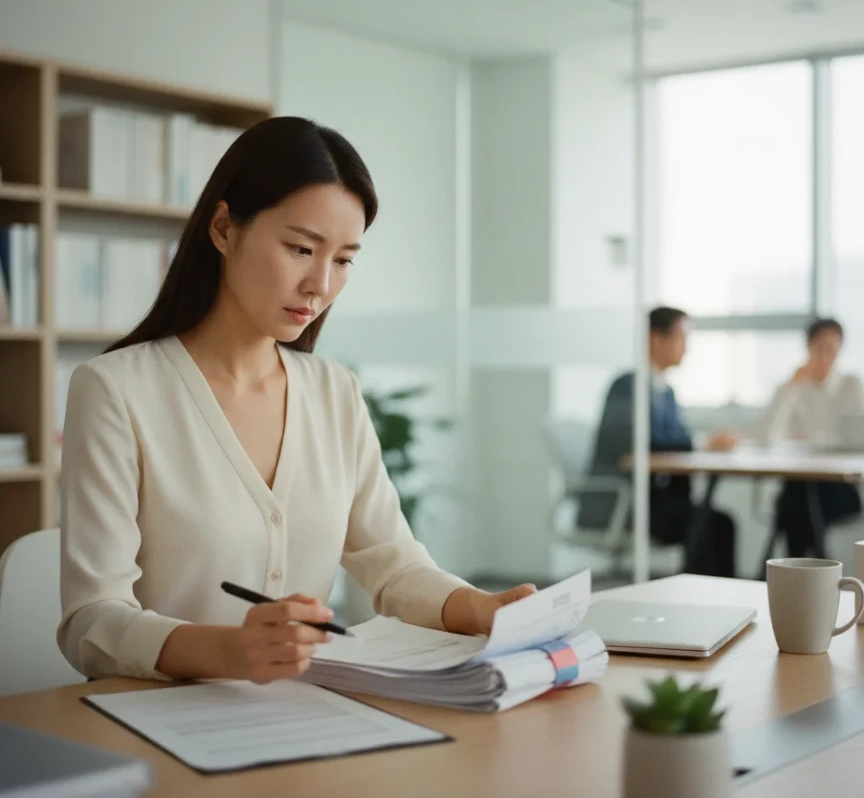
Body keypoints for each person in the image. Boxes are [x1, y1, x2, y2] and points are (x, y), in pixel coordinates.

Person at [58, 117, 535, 684]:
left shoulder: (334, 392)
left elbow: (394, 566)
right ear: (223, 228)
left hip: (302, 716)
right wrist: (231, 651)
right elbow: (91, 621)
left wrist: (483, 609)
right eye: (301, 248)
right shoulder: (116, 390)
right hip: (156, 725)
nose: (321, 285)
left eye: (343, 260)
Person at [579, 307, 738, 577]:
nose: (686, 348)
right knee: (707, 524)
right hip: (626, 502)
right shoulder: (628, 386)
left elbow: (675, 439)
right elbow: (642, 442)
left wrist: (699, 443)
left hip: (654, 497)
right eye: (681, 337)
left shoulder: (664, 390)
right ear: (655, 338)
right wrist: (701, 444)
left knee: (719, 523)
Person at [762, 317, 864, 556]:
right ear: (808, 348)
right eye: (819, 348)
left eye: (832, 349)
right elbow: (766, 436)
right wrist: (791, 388)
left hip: (840, 486)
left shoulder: (853, 386)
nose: (825, 356)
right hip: (798, 483)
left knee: (798, 510)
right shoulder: (793, 387)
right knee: (797, 502)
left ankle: (801, 574)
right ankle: (816, 573)